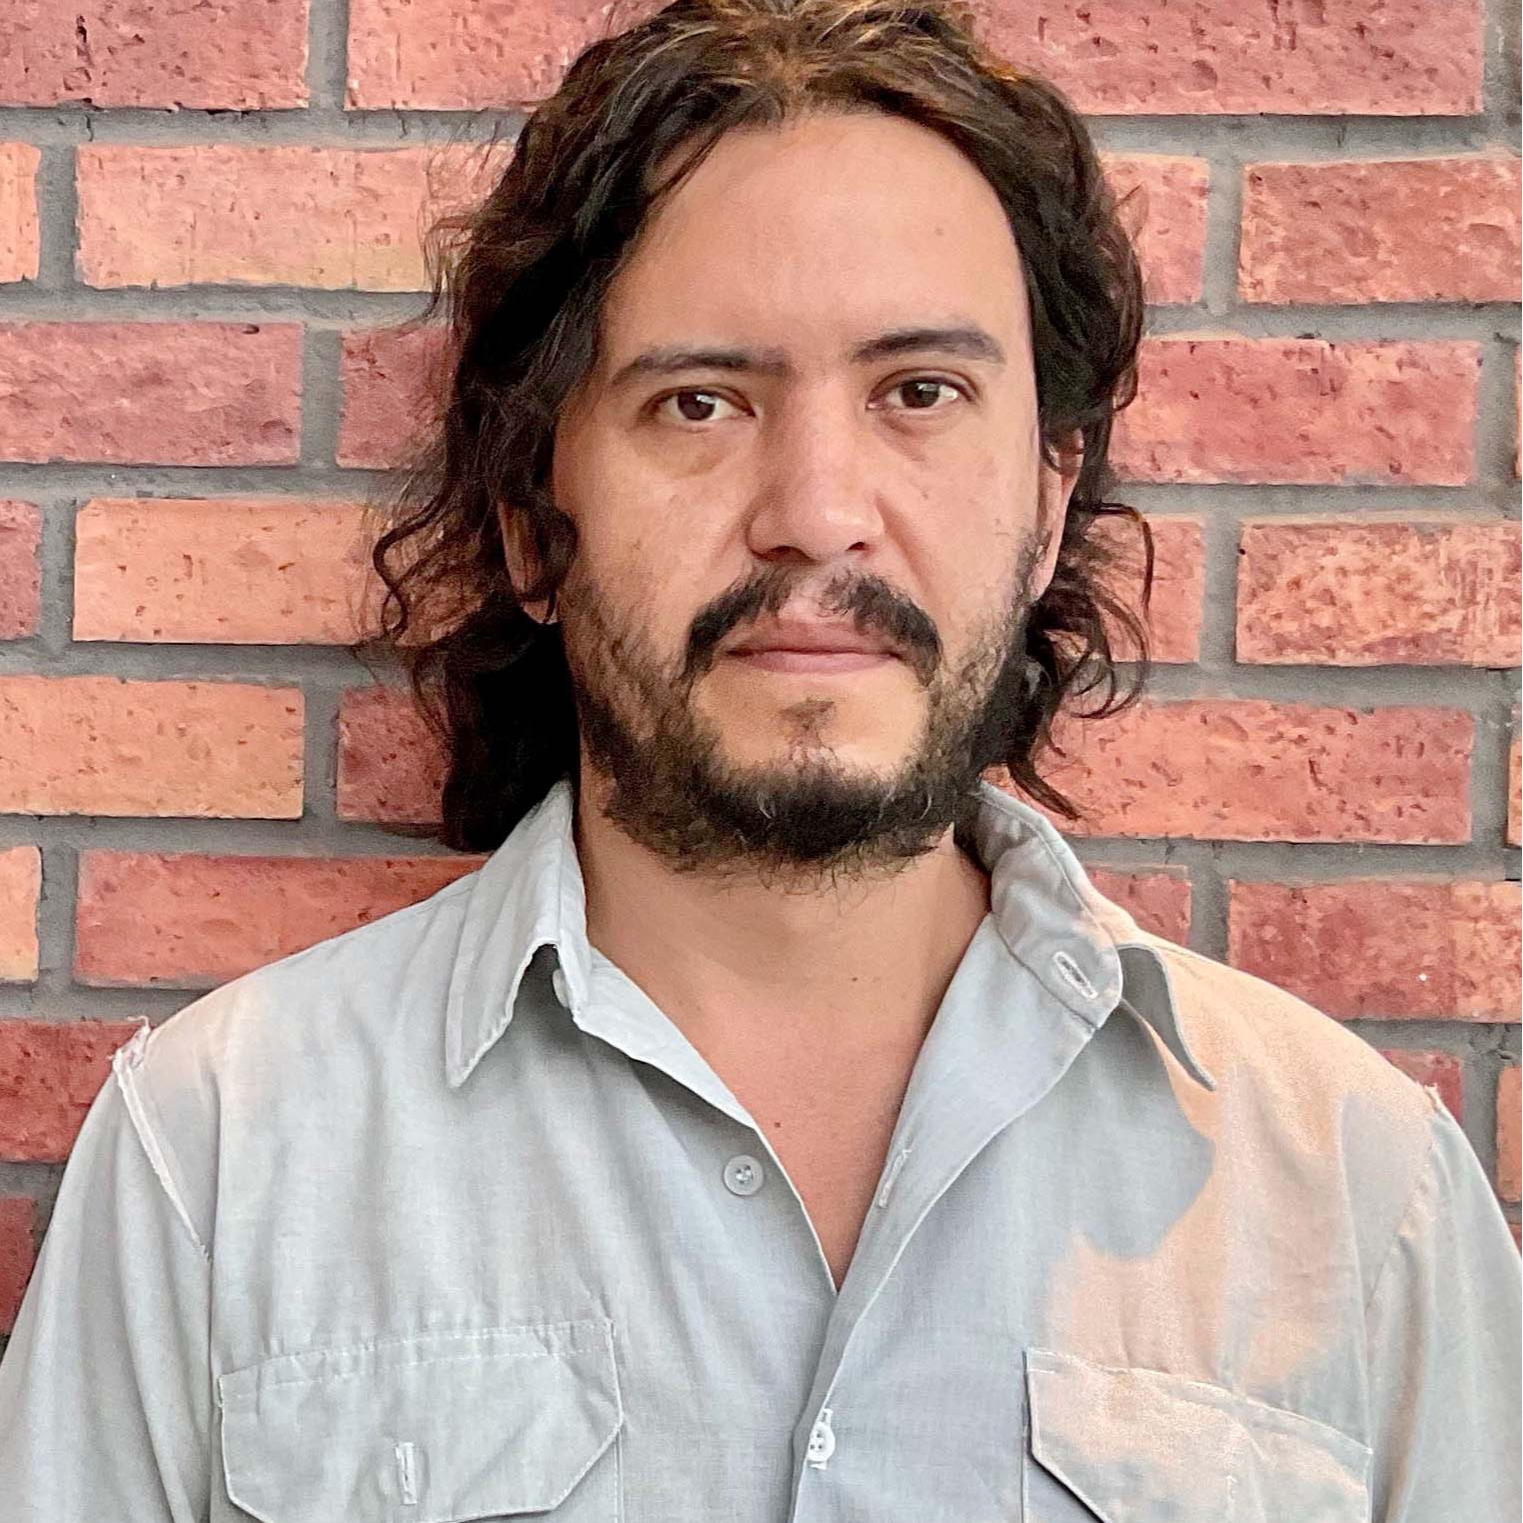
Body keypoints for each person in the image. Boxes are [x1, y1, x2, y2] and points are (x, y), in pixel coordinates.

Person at [2, 0, 1518, 1517]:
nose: (816, 512)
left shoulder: (1359, 1200)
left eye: (919, 393)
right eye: (700, 402)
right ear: (533, 524)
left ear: (1049, 499)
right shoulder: (215, 1159)